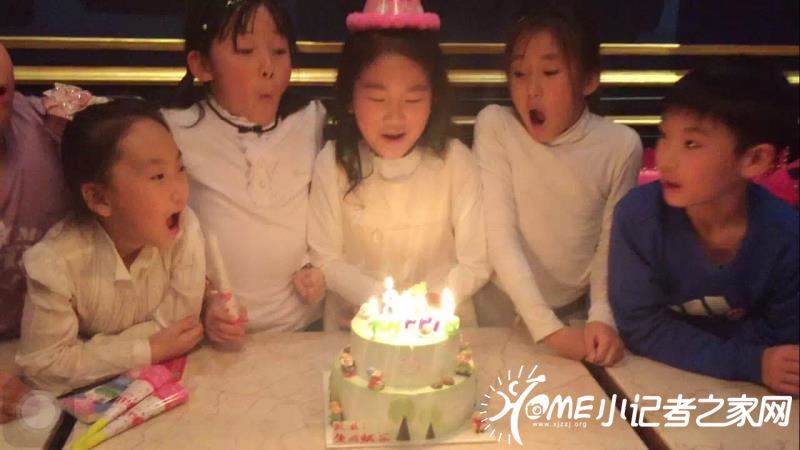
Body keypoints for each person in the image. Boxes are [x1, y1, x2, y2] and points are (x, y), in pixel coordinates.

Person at [610, 57, 799, 395]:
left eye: (691, 144)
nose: (665, 160)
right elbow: (639, 325)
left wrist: (686, 336)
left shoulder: (786, 235)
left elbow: (786, 342)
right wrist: (750, 360)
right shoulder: (638, 217)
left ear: (755, 159)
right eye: (664, 136)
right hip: (648, 382)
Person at [474, 1, 642, 365]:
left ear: (589, 80)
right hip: (496, 307)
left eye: (550, 72)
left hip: (574, 313)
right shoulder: (496, 125)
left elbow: (609, 244)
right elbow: (500, 235)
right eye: (519, 73)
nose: (531, 90)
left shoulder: (620, 146)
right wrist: (548, 329)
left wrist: (602, 316)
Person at [308, 0, 490, 330]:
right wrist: (382, 303)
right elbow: (326, 259)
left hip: (441, 332)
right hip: (353, 331)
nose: (395, 116)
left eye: (412, 99)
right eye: (378, 99)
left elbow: (476, 263)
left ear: (433, 98)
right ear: (350, 98)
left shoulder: (455, 161)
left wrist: (423, 307)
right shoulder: (334, 163)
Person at [162, 0, 327, 343]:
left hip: (307, 331)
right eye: (246, 50)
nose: (268, 68)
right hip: (218, 336)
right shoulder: (174, 132)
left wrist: (318, 266)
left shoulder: (311, 119)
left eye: (279, 51)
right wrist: (204, 303)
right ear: (202, 64)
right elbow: (160, 243)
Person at [16, 99, 205, 395]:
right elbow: (44, 367)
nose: (180, 194)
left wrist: (86, 352)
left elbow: (182, 328)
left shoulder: (183, 228)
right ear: (99, 198)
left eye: (180, 168)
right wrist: (149, 349)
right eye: (158, 176)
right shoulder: (56, 261)